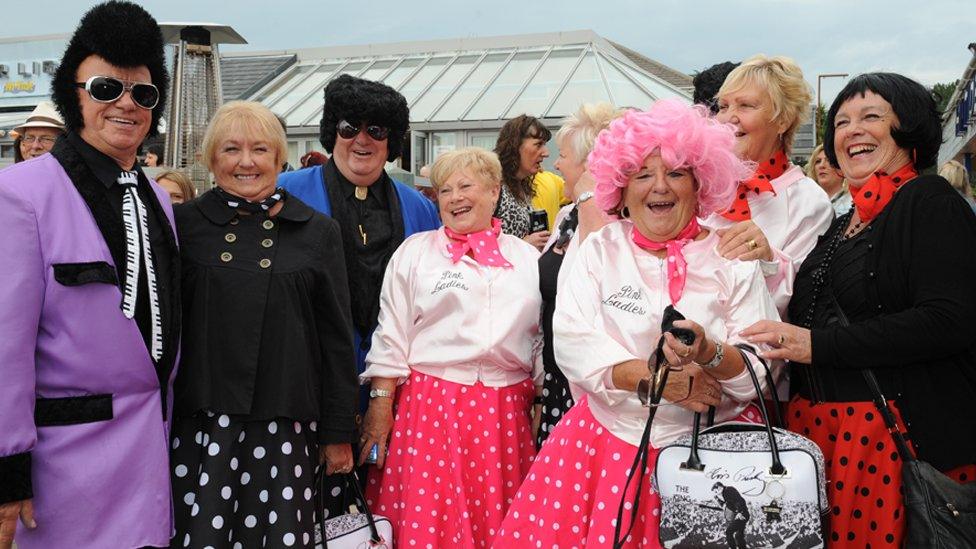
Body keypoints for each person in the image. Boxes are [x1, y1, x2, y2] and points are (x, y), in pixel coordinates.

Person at [494, 99, 780, 547]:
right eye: (643, 175)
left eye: (676, 173)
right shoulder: (600, 248)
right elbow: (570, 341)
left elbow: (762, 375)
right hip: (604, 449)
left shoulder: (731, 254)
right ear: (621, 188)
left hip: (711, 461)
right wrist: (653, 381)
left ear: (700, 181)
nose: (659, 187)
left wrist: (711, 354)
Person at [742, 73, 976, 547]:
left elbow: (950, 320)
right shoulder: (845, 219)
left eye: (872, 117)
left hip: (890, 442)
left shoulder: (929, 201)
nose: (852, 131)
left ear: (907, 130)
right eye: (842, 121)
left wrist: (817, 345)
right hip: (824, 436)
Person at [0, 3, 179, 548]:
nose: (126, 104)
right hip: (63, 470)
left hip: (152, 460)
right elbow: (4, 346)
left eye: (143, 93)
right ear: (71, 93)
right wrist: (7, 465)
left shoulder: (160, 200)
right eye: (106, 88)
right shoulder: (22, 194)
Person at [169, 100, 357, 548]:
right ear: (211, 158)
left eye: (260, 149)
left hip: (284, 426)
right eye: (232, 149)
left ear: (279, 157)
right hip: (201, 423)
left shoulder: (318, 231)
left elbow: (335, 341)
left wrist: (337, 434)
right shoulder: (181, 226)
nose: (247, 162)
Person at [359, 147, 542, 547]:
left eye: (465, 186)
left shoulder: (528, 258)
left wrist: (541, 402)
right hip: (430, 410)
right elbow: (391, 334)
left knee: (501, 525)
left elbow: (541, 340)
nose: (455, 197)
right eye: (445, 190)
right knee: (429, 525)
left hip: (504, 415)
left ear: (494, 192)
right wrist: (379, 407)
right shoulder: (415, 252)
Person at [277, 74, 440, 516]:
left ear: (393, 142)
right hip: (305, 390)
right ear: (333, 132)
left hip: (396, 399)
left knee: (381, 518)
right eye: (349, 128)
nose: (362, 140)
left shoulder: (421, 209)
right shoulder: (287, 194)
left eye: (377, 131)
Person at [709, 55, 833, 315]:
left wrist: (768, 260)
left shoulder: (808, 201)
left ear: (782, 120)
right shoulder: (702, 186)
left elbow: (804, 302)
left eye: (745, 105)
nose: (729, 117)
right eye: (723, 106)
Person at [536, 101, 622, 446]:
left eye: (564, 155)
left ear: (590, 163)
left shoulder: (617, 220)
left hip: (595, 389)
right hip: (556, 381)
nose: (555, 163)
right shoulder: (566, 215)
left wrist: (590, 197)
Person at [493, 114, 553, 249]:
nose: (546, 153)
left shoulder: (520, 185)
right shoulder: (493, 185)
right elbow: (474, 241)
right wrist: (523, 245)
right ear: (515, 146)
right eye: (538, 145)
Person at [807, 144, 852, 216]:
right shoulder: (805, 202)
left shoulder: (854, 203)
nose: (821, 165)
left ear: (842, 168)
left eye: (828, 160)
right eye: (818, 161)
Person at [711, 482, 749, 549]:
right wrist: (718, 500)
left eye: (716, 491)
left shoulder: (729, 490)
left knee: (729, 532)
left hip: (741, 514)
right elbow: (725, 506)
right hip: (740, 514)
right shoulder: (724, 495)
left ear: (720, 488)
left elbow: (739, 500)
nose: (715, 493)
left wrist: (740, 512)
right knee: (739, 536)